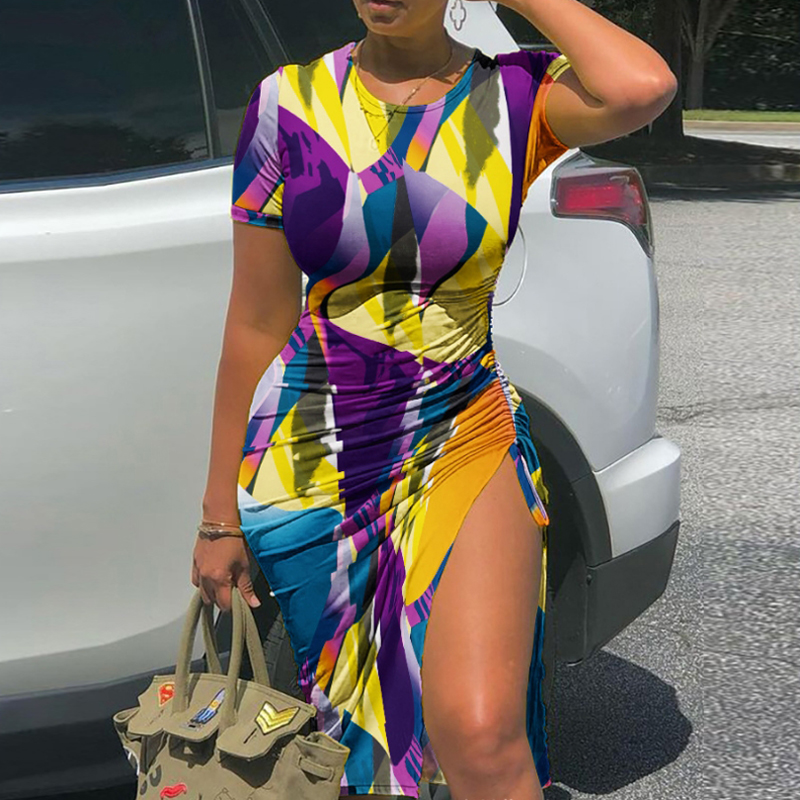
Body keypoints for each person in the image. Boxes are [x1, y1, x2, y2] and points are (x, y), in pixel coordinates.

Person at [192, 0, 676, 798]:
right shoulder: (286, 103)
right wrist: (220, 515)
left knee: (482, 737)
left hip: (463, 431)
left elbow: (641, 87)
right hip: (316, 458)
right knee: (362, 750)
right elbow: (256, 322)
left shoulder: (515, 98)